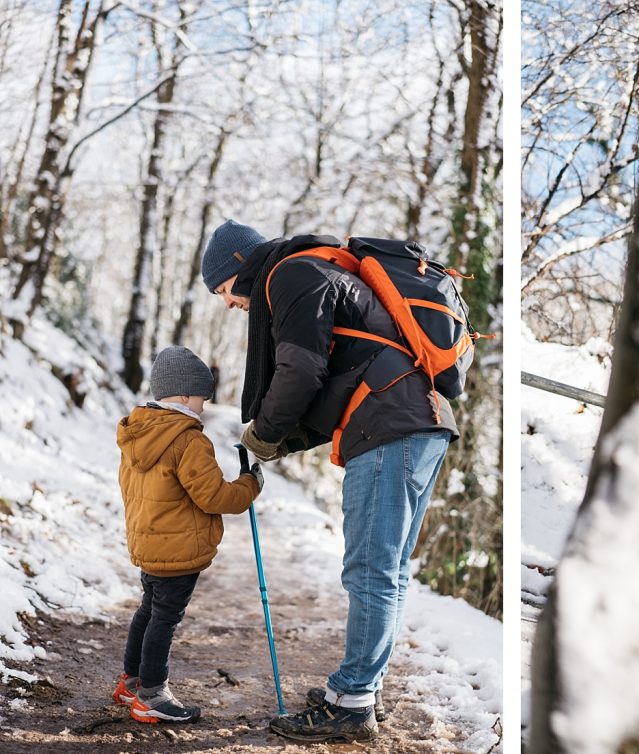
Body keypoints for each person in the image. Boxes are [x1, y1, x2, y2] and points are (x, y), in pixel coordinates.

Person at [201, 219, 457, 743]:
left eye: (224, 291)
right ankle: (363, 688)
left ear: (239, 269)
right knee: (387, 569)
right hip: (418, 419)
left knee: (371, 568)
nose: (229, 305)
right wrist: (278, 442)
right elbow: (336, 375)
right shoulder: (318, 271)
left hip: (390, 422)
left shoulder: (292, 276)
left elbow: (301, 371)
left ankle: (353, 702)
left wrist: (262, 434)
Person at [113, 346, 264, 723]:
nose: (203, 407)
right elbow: (213, 496)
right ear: (183, 396)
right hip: (179, 551)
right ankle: (151, 694)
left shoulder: (138, 434)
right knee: (164, 618)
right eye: (201, 398)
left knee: (149, 611)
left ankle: (131, 682)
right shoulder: (187, 439)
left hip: (149, 543)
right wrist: (250, 485)